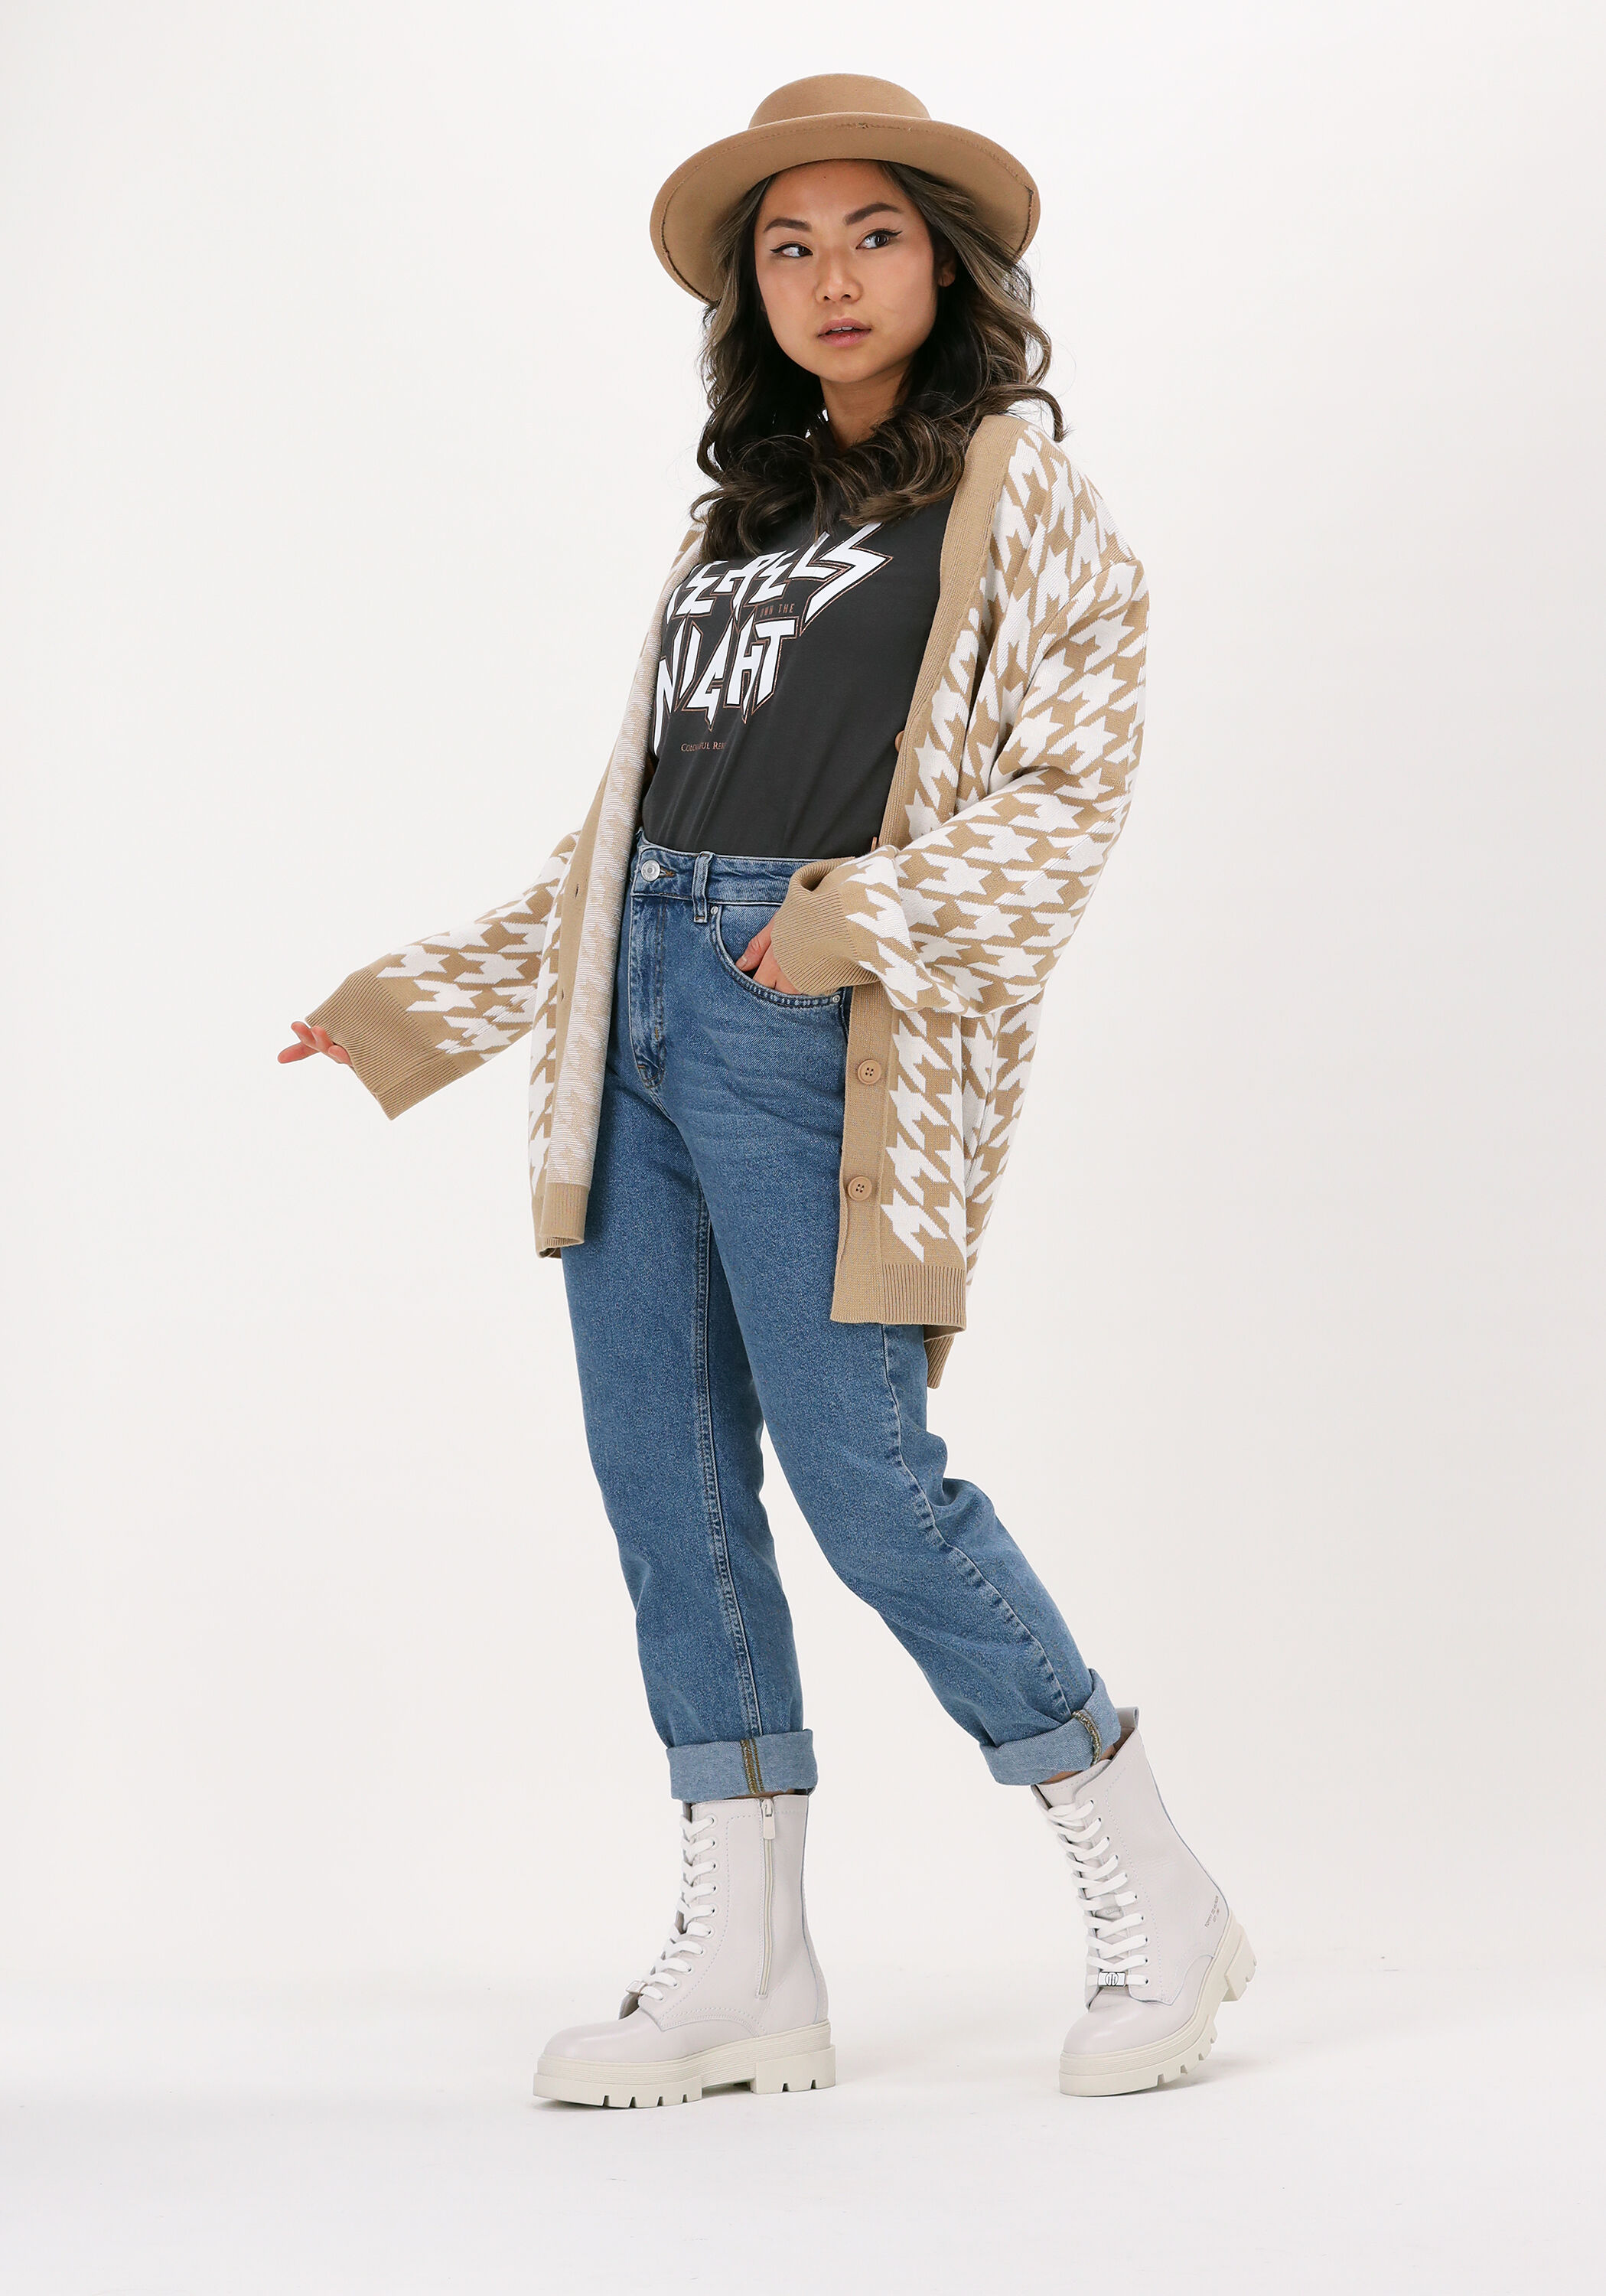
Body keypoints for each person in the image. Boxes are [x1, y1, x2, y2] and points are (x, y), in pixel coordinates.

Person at [282, 75, 1253, 2106]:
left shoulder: (1017, 490)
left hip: (815, 1012)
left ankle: (1156, 1889)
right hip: (636, 999)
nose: (830, 276)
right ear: (753, 295)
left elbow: (1069, 792)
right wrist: (417, 1009)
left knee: (867, 1482)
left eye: (871, 234)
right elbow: (625, 834)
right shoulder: (733, 519)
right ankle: (747, 1969)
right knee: (665, 1485)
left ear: (946, 267)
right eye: (788, 247)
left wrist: (852, 923)